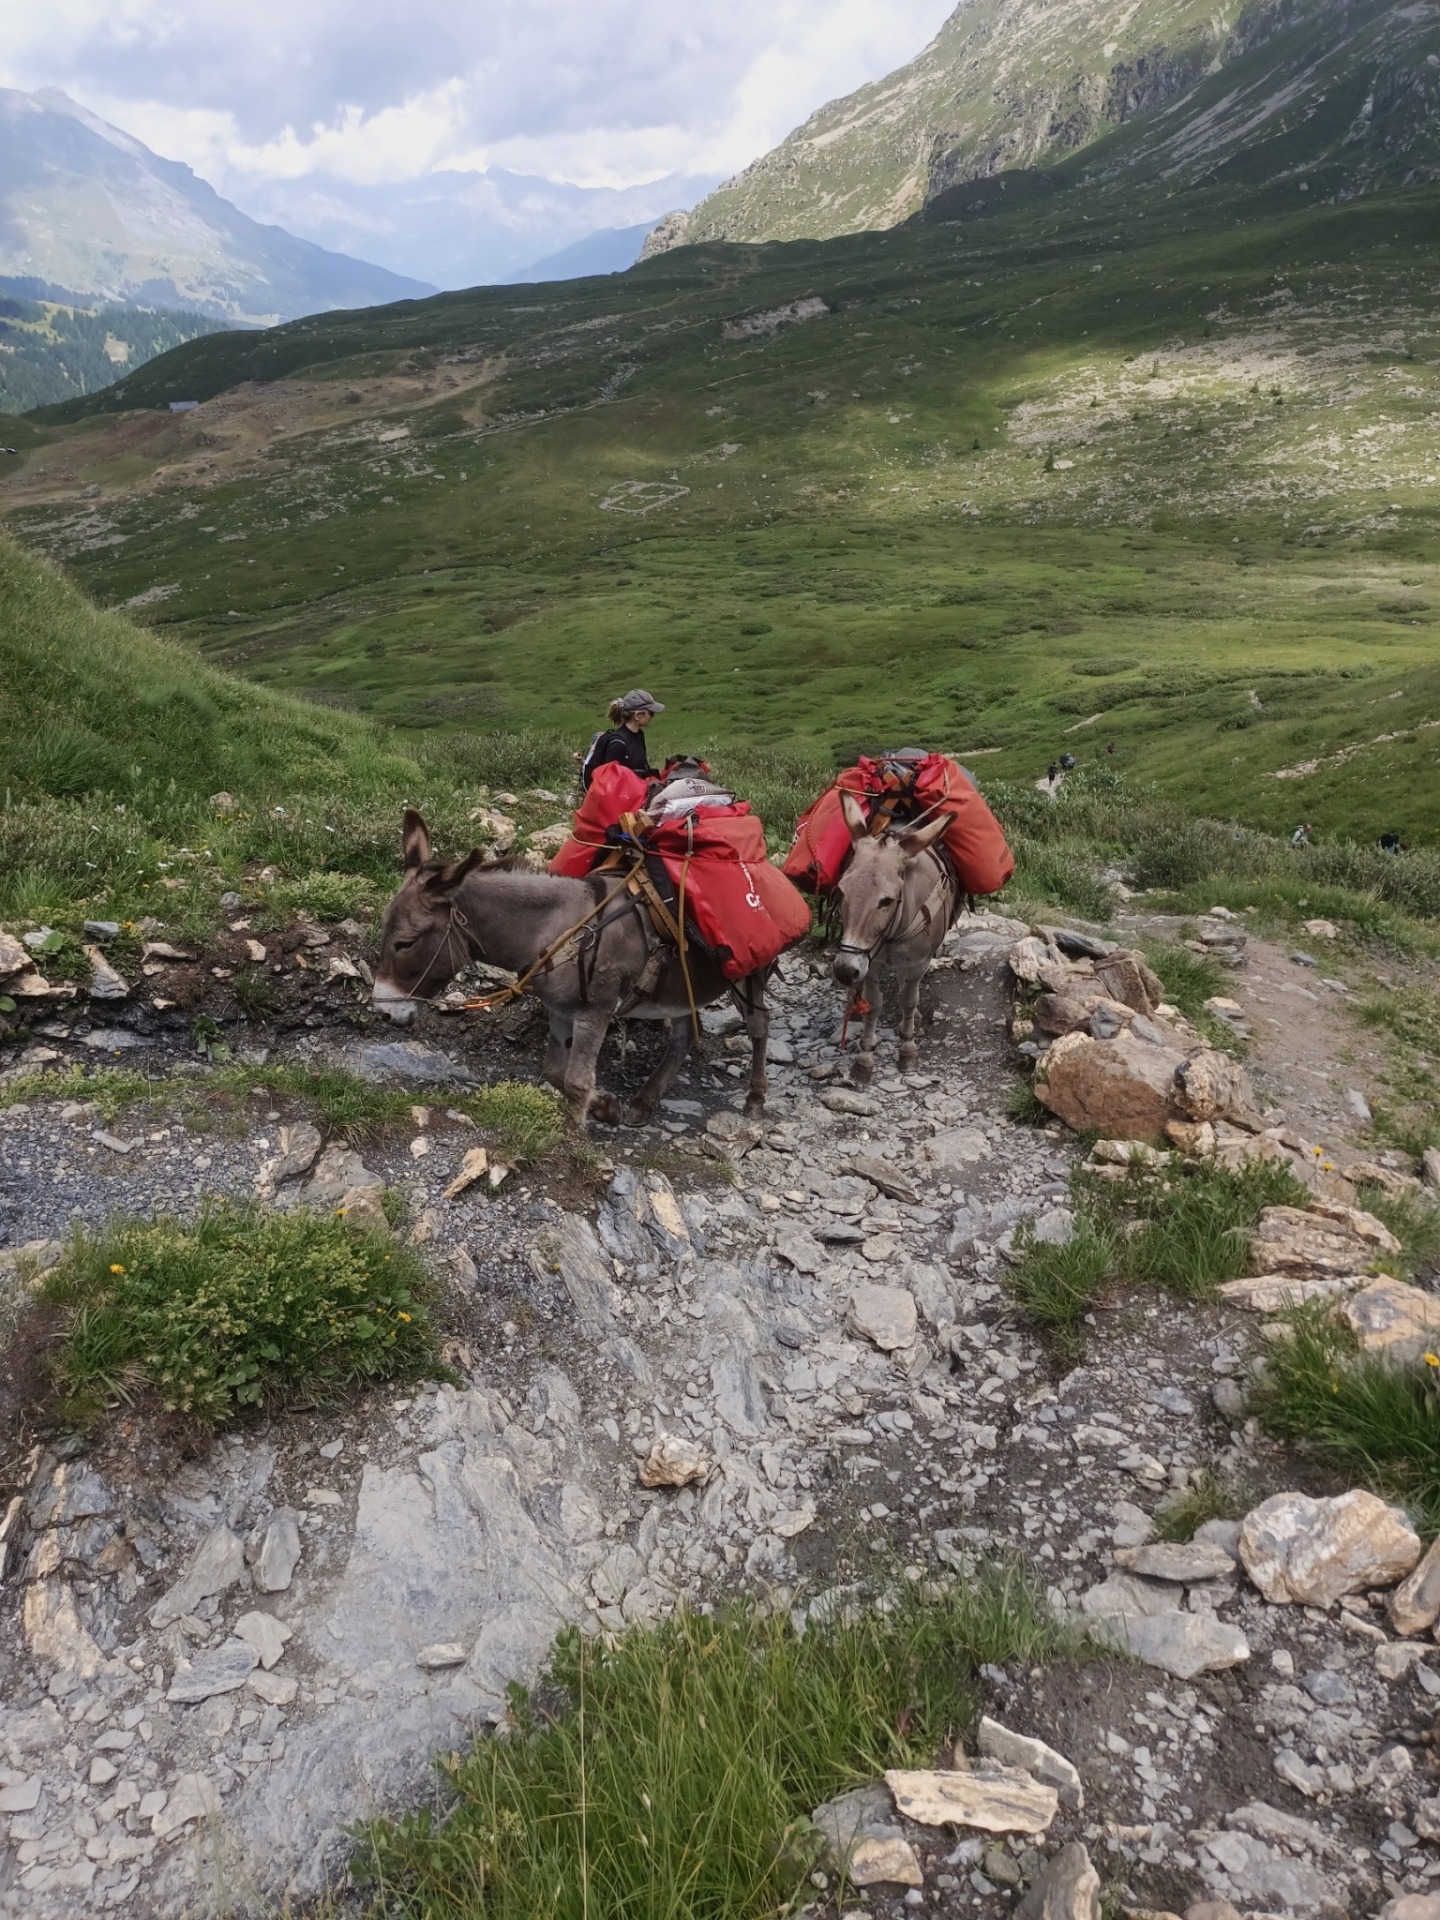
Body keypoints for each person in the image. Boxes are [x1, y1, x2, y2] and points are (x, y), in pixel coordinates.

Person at [579, 690, 665, 790]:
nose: (653, 716)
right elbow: (608, 784)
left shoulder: (639, 737)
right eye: (650, 713)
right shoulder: (617, 743)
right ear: (638, 715)